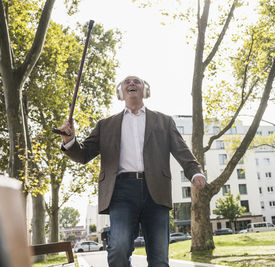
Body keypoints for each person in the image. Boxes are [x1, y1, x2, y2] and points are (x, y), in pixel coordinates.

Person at [57, 75, 206, 267]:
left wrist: (195, 172)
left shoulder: (164, 121)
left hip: (156, 192)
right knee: (118, 249)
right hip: (121, 192)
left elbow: (182, 150)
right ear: (121, 92)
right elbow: (83, 155)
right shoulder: (106, 125)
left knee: (159, 258)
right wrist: (69, 140)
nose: (132, 83)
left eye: (137, 81)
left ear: (145, 90)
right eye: (127, 81)